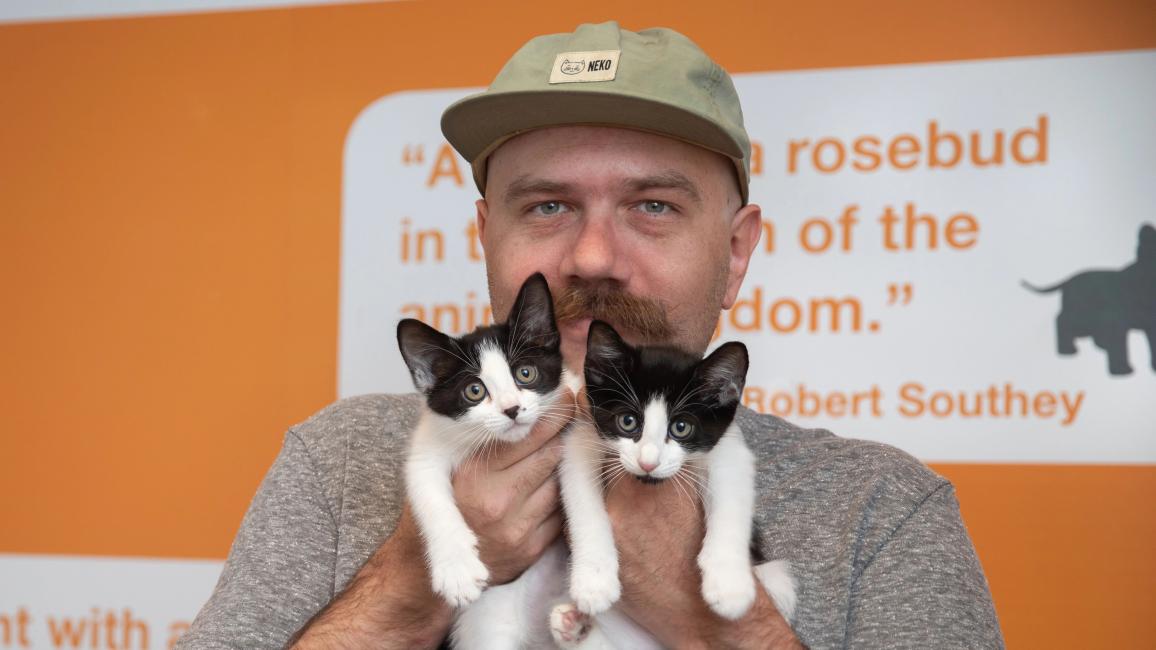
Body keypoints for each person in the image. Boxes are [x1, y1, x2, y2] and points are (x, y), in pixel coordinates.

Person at [179, 22, 1004, 649]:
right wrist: (410, 580)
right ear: (485, 237)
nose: (594, 256)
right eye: (547, 206)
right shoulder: (338, 461)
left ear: (737, 250)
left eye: (654, 206)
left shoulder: (882, 511)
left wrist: (698, 609)